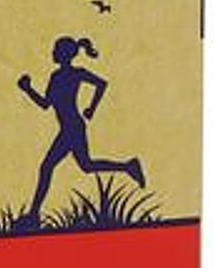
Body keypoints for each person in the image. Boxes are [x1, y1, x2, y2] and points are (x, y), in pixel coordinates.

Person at [17, 37, 145, 225]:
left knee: (47, 167)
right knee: (85, 165)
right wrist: (28, 90)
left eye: (56, 50)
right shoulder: (56, 76)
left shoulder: (76, 74)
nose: (52, 53)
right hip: (69, 128)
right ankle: (128, 166)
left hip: (73, 128)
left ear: (64, 54)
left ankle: (34, 215)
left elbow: (102, 84)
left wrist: (92, 108)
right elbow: (46, 104)